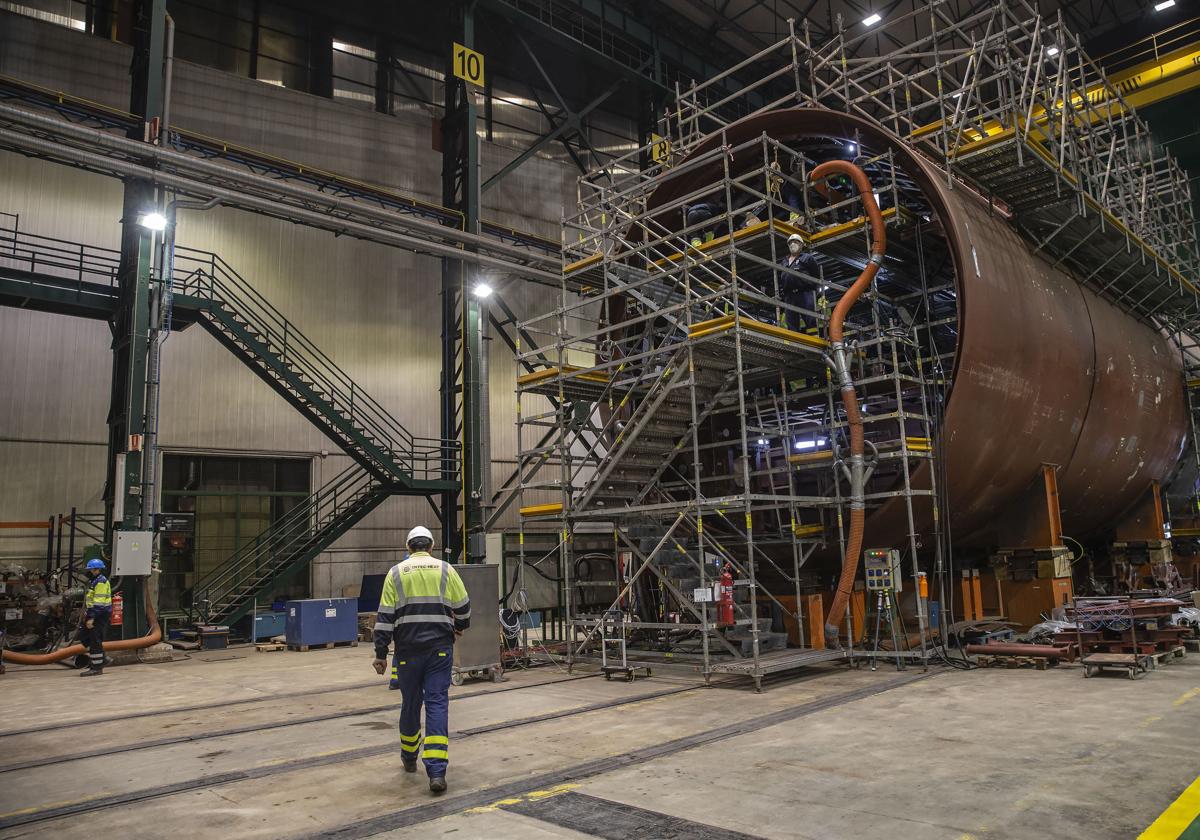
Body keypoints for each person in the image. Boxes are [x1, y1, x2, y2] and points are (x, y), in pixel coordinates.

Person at [372, 525, 471, 795]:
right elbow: (463, 606)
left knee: (411, 703)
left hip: (407, 651)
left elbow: (384, 618)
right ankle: (437, 772)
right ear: (431, 546)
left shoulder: (395, 573)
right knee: (437, 704)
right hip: (439, 650)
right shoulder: (445, 569)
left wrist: (381, 654)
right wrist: (460, 625)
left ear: (408, 548)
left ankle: (408, 757)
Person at [778, 233, 822, 333]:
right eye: (790, 243)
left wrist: (815, 289)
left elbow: (816, 275)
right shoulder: (784, 261)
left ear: (801, 245)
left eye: (795, 242)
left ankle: (814, 339)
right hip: (789, 295)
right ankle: (795, 342)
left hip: (804, 293)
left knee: (810, 318)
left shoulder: (807, 258)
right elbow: (781, 277)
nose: (792, 244)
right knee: (791, 320)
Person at [79, 557, 113, 677]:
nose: (90, 571)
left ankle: (97, 667)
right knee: (84, 636)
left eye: (91, 569)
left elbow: (99, 602)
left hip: (100, 615)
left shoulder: (101, 582)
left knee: (95, 640)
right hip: (94, 613)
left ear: (97, 569)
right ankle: (103, 659)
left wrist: (92, 618)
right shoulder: (95, 581)